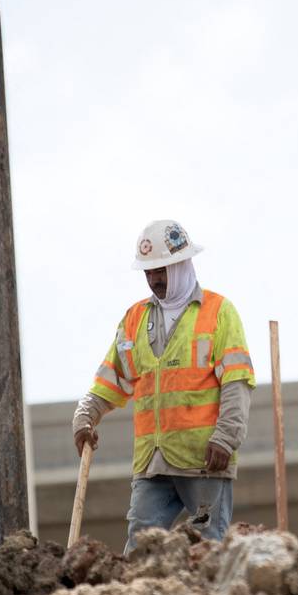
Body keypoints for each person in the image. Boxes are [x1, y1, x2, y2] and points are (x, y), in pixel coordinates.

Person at [72, 219, 255, 551]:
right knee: (140, 549)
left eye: (161, 270)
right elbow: (110, 379)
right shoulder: (134, 319)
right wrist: (84, 418)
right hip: (152, 462)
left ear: (182, 264)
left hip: (204, 462)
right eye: (148, 272)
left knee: (207, 549)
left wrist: (226, 438)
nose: (154, 279)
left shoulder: (218, 313)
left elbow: (237, 382)